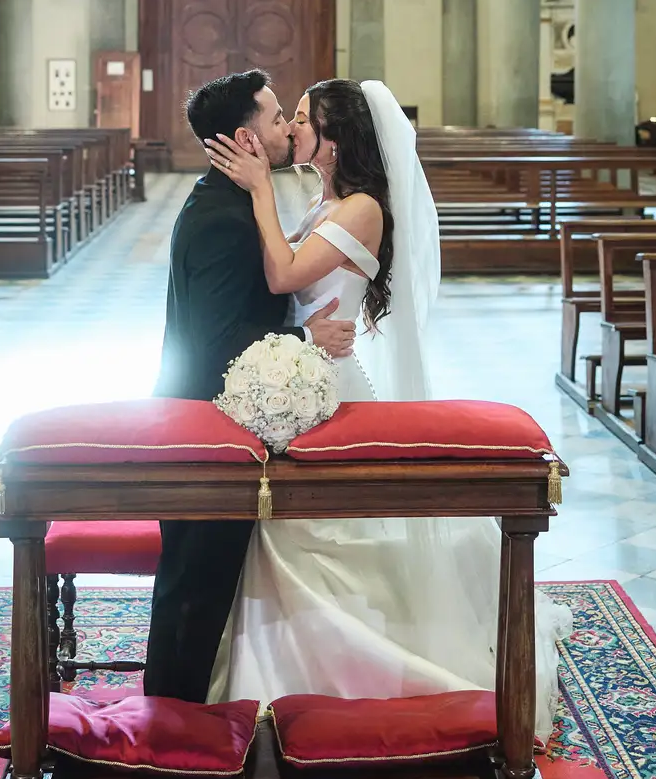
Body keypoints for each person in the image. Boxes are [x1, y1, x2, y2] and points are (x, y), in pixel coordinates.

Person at [203, 77, 568, 741]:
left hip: (331, 387)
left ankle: (360, 668)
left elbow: (285, 274)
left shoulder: (364, 207)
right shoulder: (329, 197)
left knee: (329, 525)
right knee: (286, 521)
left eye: (306, 120)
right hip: (309, 369)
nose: (294, 129)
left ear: (336, 142)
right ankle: (284, 669)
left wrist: (258, 190)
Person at [143, 70, 356, 702]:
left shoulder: (229, 201)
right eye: (273, 118)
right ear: (246, 137)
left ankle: (189, 698)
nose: (286, 128)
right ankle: (171, 713)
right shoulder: (222, 219)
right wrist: (307, 343)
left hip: (215, 410)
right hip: (205, 421)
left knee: (203, 574)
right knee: (195, 576)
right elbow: (219, 339)